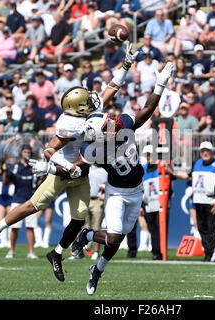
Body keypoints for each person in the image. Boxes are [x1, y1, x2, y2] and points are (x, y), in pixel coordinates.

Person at [0, 43, 139, 282]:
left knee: (79, 217)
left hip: (82, 171)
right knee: (33, 206)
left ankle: (56, 253)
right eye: (85, 103)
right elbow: (49, 149)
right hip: (62, 171)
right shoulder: (69, 123)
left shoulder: (89, 111)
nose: (91, 103)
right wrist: (62, 167)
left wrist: (126, 65)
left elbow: (111, 88)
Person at [69, 62, 175, 295]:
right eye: (107, 127)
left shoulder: (123, 125)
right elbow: (80, 165)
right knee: (114, 235)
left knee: (117, 240)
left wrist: (160, 85)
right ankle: (86, 234)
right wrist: (57, 167)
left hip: (136, 191)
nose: (112, 124)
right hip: (116, 192)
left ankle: (97, 270)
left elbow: (147, 110)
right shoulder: (94, 149)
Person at [3, 144, 40, 259]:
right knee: (14, 226)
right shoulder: (15, 167)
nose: (27, 154)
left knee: (31, 227)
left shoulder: (34, 167)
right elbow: (5, 182)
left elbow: (39, 183)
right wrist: (5, 170)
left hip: (31, 200)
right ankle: (11, 250)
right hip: (17, 199)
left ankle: (31, 251)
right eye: (25, 152)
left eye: (28, 152)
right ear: (21, 154)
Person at [0, 159, 14, 249]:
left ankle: (9, 241)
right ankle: (3, 241)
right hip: (1, 200)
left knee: (10, 221)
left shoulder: (11, 172)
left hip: (10, 199)